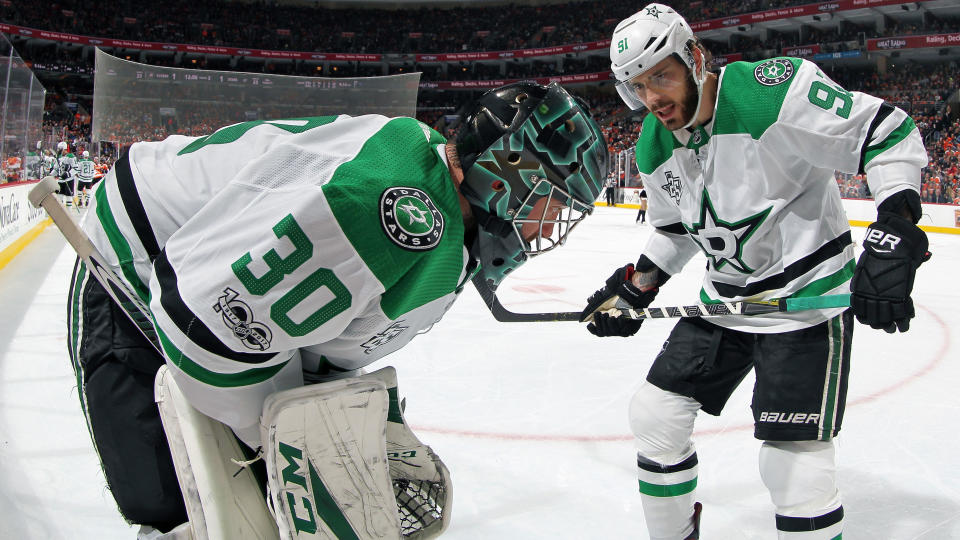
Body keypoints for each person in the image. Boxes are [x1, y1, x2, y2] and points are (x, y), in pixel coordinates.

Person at [66, 81, 608, 537]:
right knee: (177, 509)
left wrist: (324, 423)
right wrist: (297, 449)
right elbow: (207, 326)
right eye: (551, 201)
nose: (546, 227)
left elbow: (316, 337)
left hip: (202, 295)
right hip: (134, 272)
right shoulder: (390, 205)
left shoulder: (444, 217)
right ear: (505, 170)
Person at [582, 5, 930, 539]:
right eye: (638, 86)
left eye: (662, 76)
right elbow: (677, 230)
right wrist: (636, 285)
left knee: (795, 468)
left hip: (803, 305)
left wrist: (895, 228)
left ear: (695, 58)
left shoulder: (772, 93)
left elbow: (886, 132)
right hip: (724, 304)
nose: (653, 98)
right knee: (655, 418)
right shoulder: (654, 145)